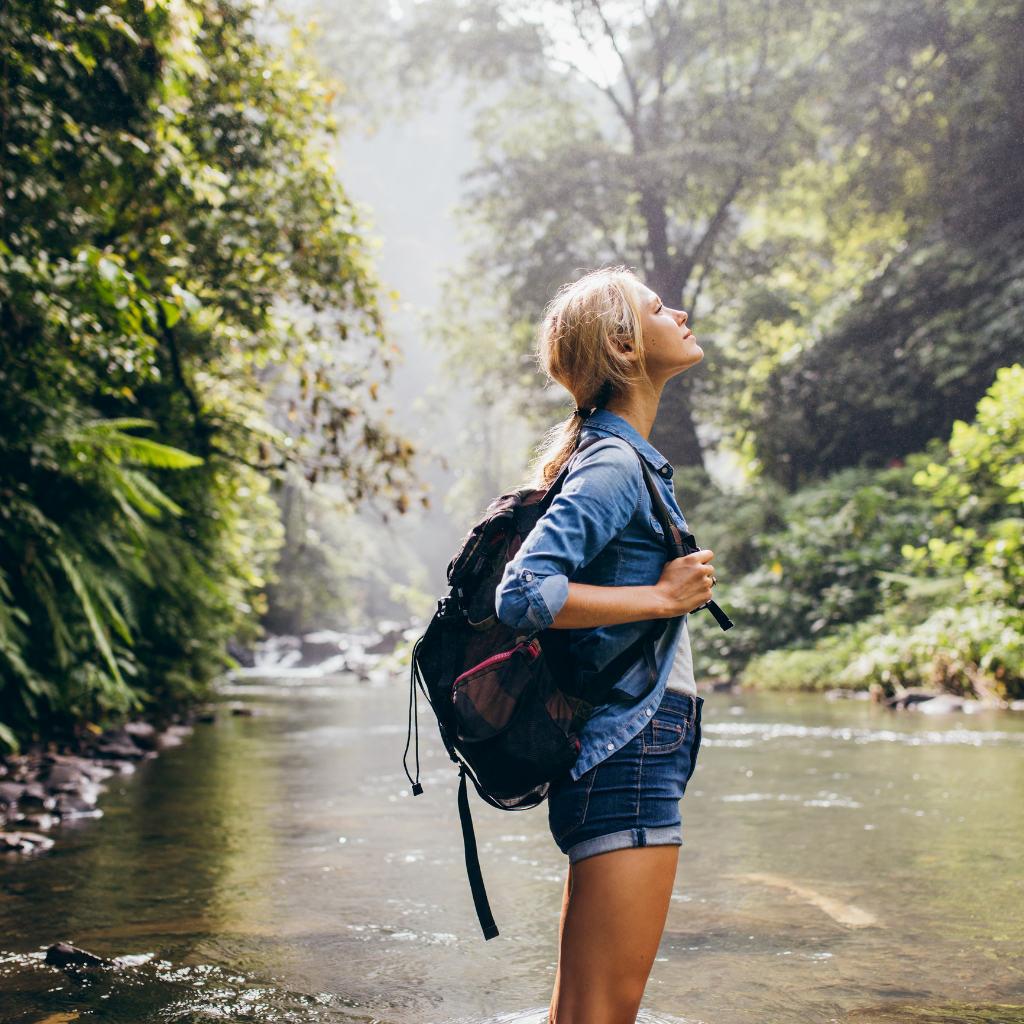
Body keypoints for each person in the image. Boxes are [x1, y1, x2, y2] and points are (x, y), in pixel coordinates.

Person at [494, 267, 716, 1024]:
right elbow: (524, 595)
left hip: (623, 748)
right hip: (630, 752)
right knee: (604, 1014)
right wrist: (659, 597)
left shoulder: (618, 457)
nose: (679, 312)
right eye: (659, 309)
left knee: (582, 1014)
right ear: (625, 345)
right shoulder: (616, 463)